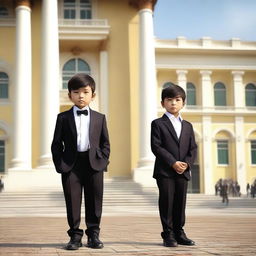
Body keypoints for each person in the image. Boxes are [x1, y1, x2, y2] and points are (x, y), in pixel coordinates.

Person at [51, 73, 110, 250]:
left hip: (94, 165)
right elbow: (56, 144)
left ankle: (94, 235)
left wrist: (103, 160)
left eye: (85, 91)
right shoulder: (63, 118)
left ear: (93, 94)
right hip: (71, 165)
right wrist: (60, 164)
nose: (81, 96)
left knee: (95, 201)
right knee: (72, 201)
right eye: (76, 92)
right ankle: (75, 236)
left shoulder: (100, 118)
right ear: (69, 95)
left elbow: (105, 143)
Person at [151, 85, 197, 247]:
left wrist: (186, 164)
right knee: (167, 202)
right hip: (165, 171)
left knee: (180, 202)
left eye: (177, 100)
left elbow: (193, 148)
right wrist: (173, 163)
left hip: (183, 171)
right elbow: (156, 147)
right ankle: (168, 234)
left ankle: (180, 232)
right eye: (169, 100)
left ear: (183, 103)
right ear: (163, 103)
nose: (173, 103)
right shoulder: (158, 124)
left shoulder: (188, 126)